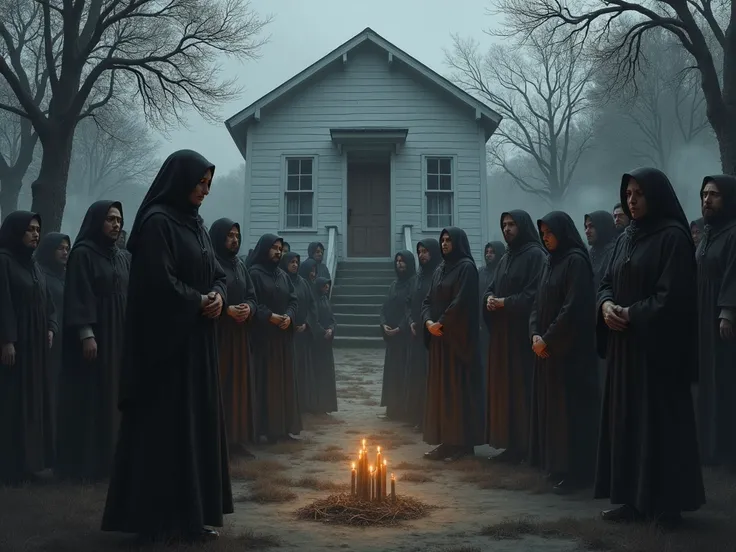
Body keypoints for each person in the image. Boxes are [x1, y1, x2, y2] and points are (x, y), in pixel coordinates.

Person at [102, 150, 233, 541]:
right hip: (166, 350)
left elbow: (218, 272)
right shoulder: (158, 223)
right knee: (167, 431)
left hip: (197, 346)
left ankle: (191, 517)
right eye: (199, 183)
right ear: (180, 180)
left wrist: (219, 295)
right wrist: (198, 302)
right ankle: (154, 520)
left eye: (209, 185)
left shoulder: (195, 225)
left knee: (195, 428)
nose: (204, 191)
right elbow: (156, 282)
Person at [595, 167, 705, 526]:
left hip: (658, 351)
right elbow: (607, 280)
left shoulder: (672, 237)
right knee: (627, 423)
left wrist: (630, 312)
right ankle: (631, 499)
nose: (631, 199)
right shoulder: (626, 237)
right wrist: (606, 305)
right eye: (628, 193)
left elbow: (673, 297)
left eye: (639, 193)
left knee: (659, 426)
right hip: (625, 350)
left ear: (655, 195)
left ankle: (666, 504)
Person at [56, 200, 130, 481]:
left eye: (119, 219)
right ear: (98, 221)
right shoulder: (83, 254)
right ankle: (88, 464)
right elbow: (78, 296)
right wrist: (87, 334)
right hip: (96, 337)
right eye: (110, 219)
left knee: (115, 396)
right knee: (93, 397)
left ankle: (114, 460)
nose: (116, 224)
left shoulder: (121, 256)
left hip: (120, 336)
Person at [529, 211, 600, 494]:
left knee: (571, 412)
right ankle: (557, 464)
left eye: (550, 232)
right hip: (547, 349)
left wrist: (548, 338)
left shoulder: (576, 262)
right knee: (554, 412)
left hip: (570, 353)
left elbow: (573, 308)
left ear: (563, 231)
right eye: (542, 233)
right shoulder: (550, 262)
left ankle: (577, 471)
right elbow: (537, 302)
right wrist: (534, 332)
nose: (546, 238)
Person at [484, 210, 547, 464]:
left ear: (522, 226)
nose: (507, 229)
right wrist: (488, 298)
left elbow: (534, 295)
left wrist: (504, 303)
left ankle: (527, 446)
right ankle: (510, 445)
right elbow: (492, 285)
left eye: (511, 224)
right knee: (506, 392)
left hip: (522, 336)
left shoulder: (535, 255)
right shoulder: (506, 257)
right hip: (503, 336)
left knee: (522, 392)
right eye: (503, 225)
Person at [0, 211, 56, 483]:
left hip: (35, 344)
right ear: (16, 231)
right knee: (14, 401)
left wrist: (49, 327)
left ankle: (33, 461)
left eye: (38, 229)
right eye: (30, 229)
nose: (36, 234)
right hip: (16, 344)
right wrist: (7, 340)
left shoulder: (35, 265)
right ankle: (11, 464)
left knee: (34, 399)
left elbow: (47, 302)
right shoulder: (4, 261)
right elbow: (4, 304)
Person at [421, 227, 483, 462]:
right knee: (443, 393)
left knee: (458, 392)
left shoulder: (466, 268)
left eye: (449, 240)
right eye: (442, 240)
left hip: (458, 343)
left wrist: (441, 324)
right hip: (439, 340)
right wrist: (428, 321)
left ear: (458, 243)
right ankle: (447, 441)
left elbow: (462, 303)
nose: (445, 244)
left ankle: (463, 443)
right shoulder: (440, 269)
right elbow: (428, 300)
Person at [695, 175, 736, 468]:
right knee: (708, 379)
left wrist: (727, 311)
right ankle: (711, 446)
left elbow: (734, 273)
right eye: (705, 194)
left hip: (723, 318)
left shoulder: (734, 233)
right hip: (703, 314)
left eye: (715, 194)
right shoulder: (709, 234)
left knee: (726, 378)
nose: (707, 200)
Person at [209, 218, 258, 458]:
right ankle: (218, 441)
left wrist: (249, 308)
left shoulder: (240, 266)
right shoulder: (210, 263)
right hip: (218, 336)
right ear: (219, 237)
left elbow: (252, 296)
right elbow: (207, 295)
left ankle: (237, 439)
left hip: (240, 335)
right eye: (230, 235)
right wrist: (226, 309)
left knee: (240, 386)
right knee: (221, 386)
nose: (235, 240)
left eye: (237, 235)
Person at [248, 234, 301, 442]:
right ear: (264, 249)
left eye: (280, 249)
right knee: (266, 383)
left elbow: (293, 300)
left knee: (284, 383)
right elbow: (252, 300)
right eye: (274, 248)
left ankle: (283, 428)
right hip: (264, 339)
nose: (278, 252)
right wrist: (269, 316)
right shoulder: (254, 273)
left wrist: (289, 316)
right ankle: (265, 429)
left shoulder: (283, 275)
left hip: (283, 338)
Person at [33, 231, 70, 447]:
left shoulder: (68, 274)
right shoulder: (41, 275)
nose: (65, 252)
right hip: (49, 342)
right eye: (60, 248)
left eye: (67, 248)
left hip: (68, 342)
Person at [404, 238, 441, 429]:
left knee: (430, 376)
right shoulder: (417, 278)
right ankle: (417, 416)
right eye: (419, 251)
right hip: (416, 334)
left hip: (433, 334)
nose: (421, 255)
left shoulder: (439, 275)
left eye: (425, 251)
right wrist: (411, 321)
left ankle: (431, 418)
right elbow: (409, 303)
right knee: (417, 375)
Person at [379, 250, 416, 420]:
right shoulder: (393, 285)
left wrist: (401, 328)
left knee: (404, 373)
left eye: (403, 261)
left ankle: (404, 410)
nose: (400, 264)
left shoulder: (413, 283)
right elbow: (385, 307)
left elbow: (410, 309)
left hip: (405, 337)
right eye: (398, 261)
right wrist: (383, 323)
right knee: (392, 374)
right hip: (392, 337)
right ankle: (392, 409)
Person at [282, 252, 319, 414]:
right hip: (286, 334)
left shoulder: (303, 283)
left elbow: (312, 306)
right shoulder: (281, 281)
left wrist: (306, 324)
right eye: (291, 262)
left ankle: (303, 404)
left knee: (303, 371)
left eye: (297, 262)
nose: (295, 265)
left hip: (303, 334)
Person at [478, 241, 505, 395]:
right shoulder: (480, 272)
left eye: (492, 252)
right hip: (480, 325)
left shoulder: (501, 273)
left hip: (496, 326)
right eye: (487, 251)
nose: (488, 255)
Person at [312, 276, 338, 414]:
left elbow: (332, 319)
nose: (326, 288)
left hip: (327, 343)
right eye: (324, 286)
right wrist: (323, 332)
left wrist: (331, 329)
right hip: (318, 343)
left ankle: (326, 405)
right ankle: (317, 405)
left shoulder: (326, 300)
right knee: (319, 373)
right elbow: (313, 319)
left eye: (328, 285)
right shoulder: (314, 301)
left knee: (327, 374)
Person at [583, 211, 618, 290]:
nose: (587, 231)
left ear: (602, 226)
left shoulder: (614, 252)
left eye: (591, 226)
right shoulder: (591, 253)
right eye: (586, 227)